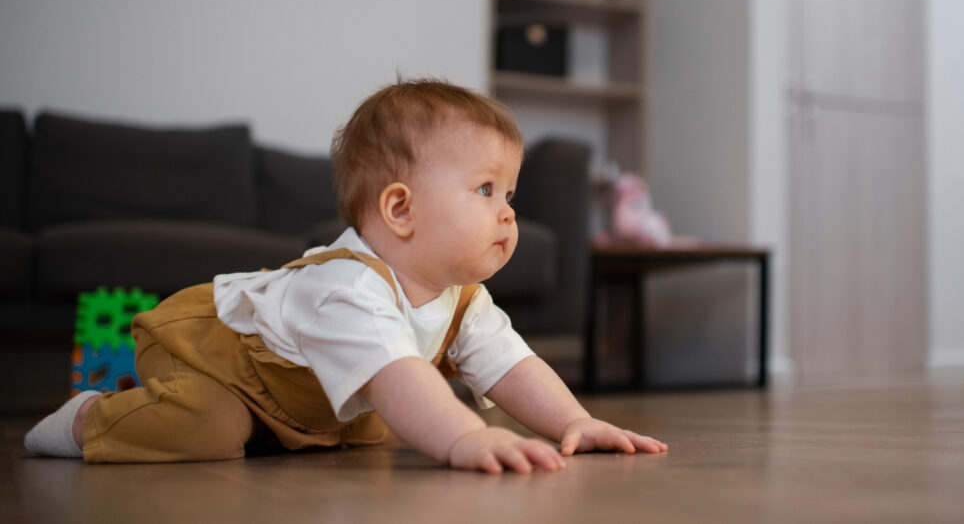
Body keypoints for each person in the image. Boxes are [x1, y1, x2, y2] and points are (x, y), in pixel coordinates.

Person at [25, 78, 667, 473]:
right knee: (210, 428)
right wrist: (467, 437)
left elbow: (511, 365)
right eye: (485, 189)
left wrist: (573, 421)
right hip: (213, 354)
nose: (508, 211)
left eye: (510, 193)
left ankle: (280, 436)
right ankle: (88, 418)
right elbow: (400, 375)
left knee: (381, 421)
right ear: (400, 209)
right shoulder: (348, 287)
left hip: (301, 398)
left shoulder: (464, 299)